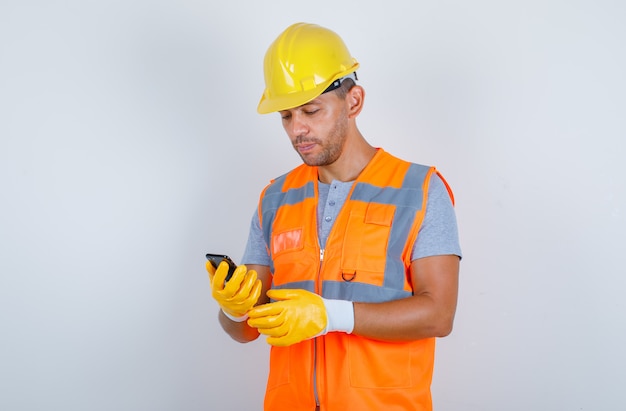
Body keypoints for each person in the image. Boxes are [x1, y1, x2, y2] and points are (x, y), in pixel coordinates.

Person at [206, 22, 462, 411]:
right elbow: (243, 330)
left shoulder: (420, 190)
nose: (298, 130)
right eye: (286, 116)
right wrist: (233, 307)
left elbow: (438, 315)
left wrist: (330, 316)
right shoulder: (274, 199)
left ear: (353, 101)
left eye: (311, 110)